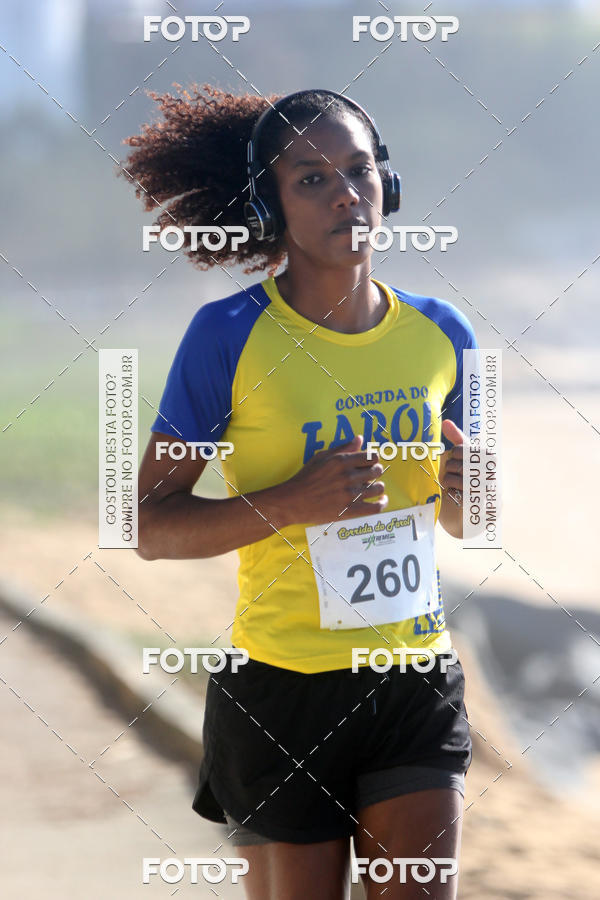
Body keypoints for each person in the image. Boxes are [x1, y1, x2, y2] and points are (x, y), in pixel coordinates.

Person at [124, 84, 476, 900]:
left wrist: (469, 493)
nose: (346, 193)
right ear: (268, 204)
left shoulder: (445, 334)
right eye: (311, 179)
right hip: (281, 691)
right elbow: (142, 524)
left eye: (358, 170)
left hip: (413, 677)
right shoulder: (229, 336)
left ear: (389, 186)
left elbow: (469, 518)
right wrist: (289, 504)